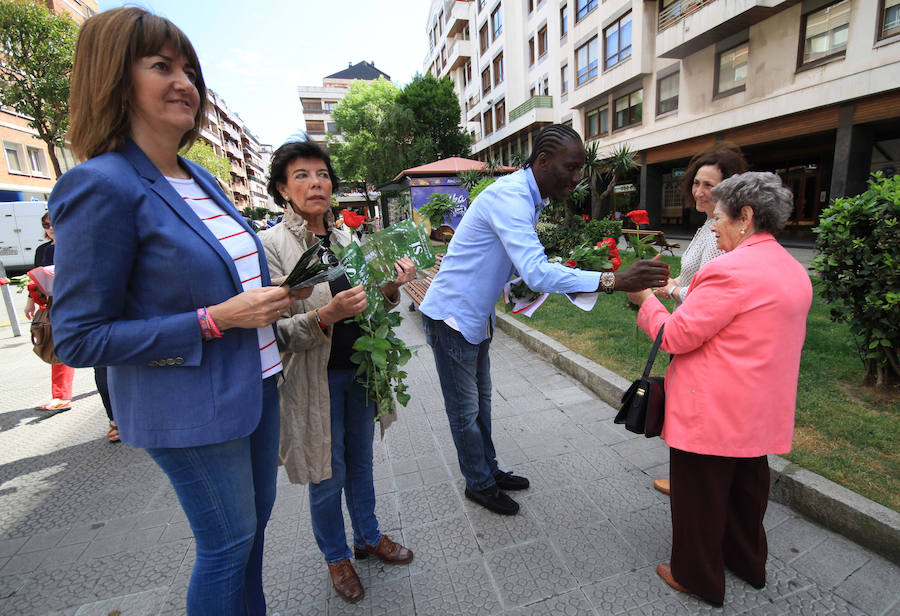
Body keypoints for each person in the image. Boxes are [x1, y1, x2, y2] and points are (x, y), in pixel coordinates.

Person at [48, 9, 307, 615]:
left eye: (190, 69)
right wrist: (216, 319)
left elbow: (224, 278)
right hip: (192, 405)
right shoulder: (101, 184)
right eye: (161, 66)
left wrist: (272, 297)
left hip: (258, 385)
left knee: (251, 536)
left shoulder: (200, 178)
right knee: (227, 545)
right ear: (113, 77)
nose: (185, 83)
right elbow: (80, 338)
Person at [418, 124, 671, 516]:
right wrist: (616, 281)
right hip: (451, 318)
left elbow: (521, 270)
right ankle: (479, 483)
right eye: (570, 168)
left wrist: (538, 285)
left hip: (474, 317)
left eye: (580, 169)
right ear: (542, 161)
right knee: (465, 412)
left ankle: (489, 470)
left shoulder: (527, 198)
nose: (577, 178)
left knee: (481, 405)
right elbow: (536, 273)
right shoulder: (511, 198)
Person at [627, 172, 812, 607]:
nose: (713, 226)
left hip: (712, 412)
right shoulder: (791, 268)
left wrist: (645, 302)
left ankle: (697, 576)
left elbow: (673, 337)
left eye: (720, 218)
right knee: (747, 496)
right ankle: (748, 564)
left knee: (699, 499)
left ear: (745, 217)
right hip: (759, 410)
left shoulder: (728, 270)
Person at [259, 140, 416, 604]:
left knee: (362, 463)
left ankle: (367, 536)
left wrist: (390, 289)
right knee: (327, 473)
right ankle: (335, 555)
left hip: (359, 371)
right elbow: (273, 334)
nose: (316, 184)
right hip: (314, 380)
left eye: (322, 174)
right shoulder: (271, 246)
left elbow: (372, 309)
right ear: (283, 189)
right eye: (302, 176)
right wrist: (323, 317)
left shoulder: (346, 239)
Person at [650, 143, 748, 495]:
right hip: (688, 325)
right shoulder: (706, 225)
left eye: (710, 185)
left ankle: (692, 484)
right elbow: (693, 277)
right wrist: (676, 282)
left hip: (700, 332)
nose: (700, 191)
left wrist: (671, 293)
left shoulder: (721, 232)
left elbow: (712, 295)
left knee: (694, 409)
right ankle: (687, 479)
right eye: (697, 183)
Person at [24, 212, 74, 412]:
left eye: (53, 223)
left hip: (76, 301)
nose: (50, 228)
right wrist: (30, 302)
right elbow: (35, 280)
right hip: (54, 304)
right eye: (45, 225)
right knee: (57, 345)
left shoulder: (73, 244)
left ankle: (107, 387)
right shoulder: (43, 250)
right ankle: (61, 395)